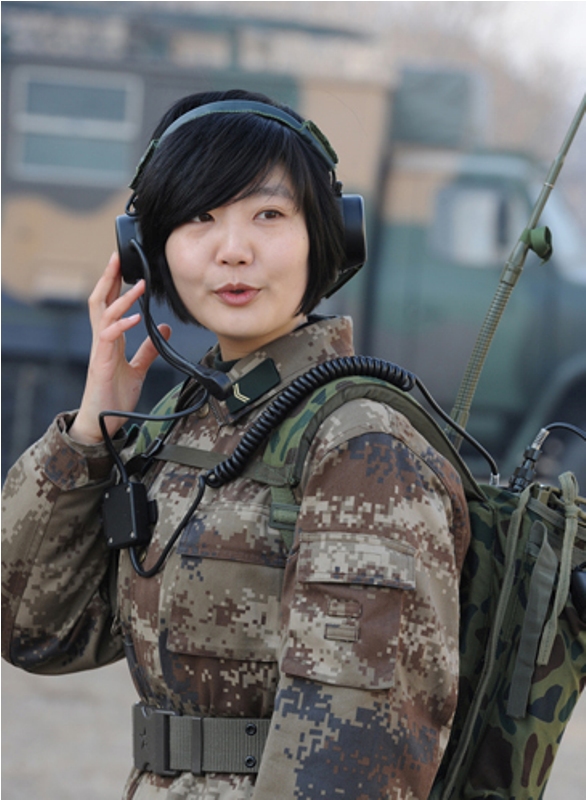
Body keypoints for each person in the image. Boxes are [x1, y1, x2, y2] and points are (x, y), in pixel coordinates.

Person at [1, 89, 470, 799]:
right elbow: (35, 627)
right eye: (199, 218)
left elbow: (351, 756)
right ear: (146, 250)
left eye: (269, 215)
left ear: (329, 239)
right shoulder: (190, 426)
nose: (233, 250)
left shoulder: (360, 447)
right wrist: (92, 433)